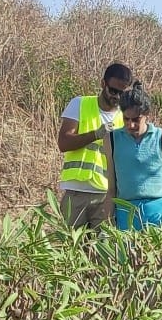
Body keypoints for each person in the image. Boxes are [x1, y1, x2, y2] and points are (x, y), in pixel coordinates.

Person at [56, 62, 131, 229]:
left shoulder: (126, 117)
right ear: (103, 84)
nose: (117, 97)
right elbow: (63, 142)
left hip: (107, 195)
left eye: (122, 93)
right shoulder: (80, 104)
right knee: (69, 249)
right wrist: (96, 134)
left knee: (102, 252)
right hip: (77, 193)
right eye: (113, 91)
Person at [103, 85, 162, 230]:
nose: (130, 124)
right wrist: (108, 227)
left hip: (157, 213)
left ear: (147, 115)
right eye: (126, 119)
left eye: (136, 120)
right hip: (126, 214)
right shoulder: (112, 139)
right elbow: (111, 189)